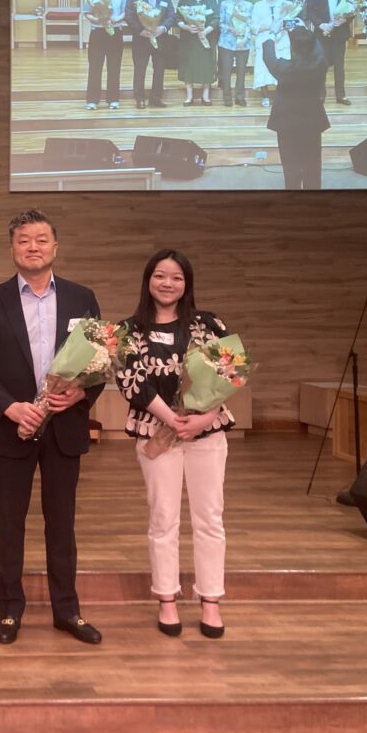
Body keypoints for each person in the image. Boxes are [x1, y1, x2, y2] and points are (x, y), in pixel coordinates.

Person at [0, 209, 104, 647]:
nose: (33, 247)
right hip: (13, 428)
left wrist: (80, 396)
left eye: (41, 240)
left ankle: (67, 610)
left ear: (55, 247)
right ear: (12, 249)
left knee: (62, 524)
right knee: (10, 524)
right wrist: (9, 408)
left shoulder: (82, 298)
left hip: (65, 428)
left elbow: (99, 363)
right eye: (24, 240)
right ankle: (9, 610)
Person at [116, 249, 235, 640]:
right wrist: (172, 419)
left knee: (210, 517)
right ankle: (166, 597)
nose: (167, 283)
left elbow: (230, 373)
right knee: (163, 517)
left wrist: (203, 417)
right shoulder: (128, 330)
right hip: (157, 434)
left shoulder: (208, 324)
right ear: (148, 280)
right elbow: (131, 381)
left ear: (187, 283)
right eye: (160, 276)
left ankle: (211, 599)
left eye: (176, 277)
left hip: (207, 432)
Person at [262, 22, 330, 190]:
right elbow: (319, 50)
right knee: (312, 165)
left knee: (290, 166)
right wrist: (305, 30)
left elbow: (268, 56)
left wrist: (272, 33)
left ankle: (293, 197)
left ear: (292, 48)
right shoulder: (320, 64)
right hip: (312, 122)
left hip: (287, 123)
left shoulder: (284, 68)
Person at [306, 0, 355, 105]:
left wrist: (344, 20)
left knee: (339, 66)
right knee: (321, 65)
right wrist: (321, 25)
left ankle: (341, 95)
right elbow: (310, 10)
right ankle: (320, 94)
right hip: (322, 32)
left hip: (340, 32)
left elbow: (353, 8)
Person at [126, 0, 176, 109]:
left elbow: (171, 15)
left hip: (160, 39)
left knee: (159, 69)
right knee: (140, 69)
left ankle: (156, 98)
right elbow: (129, 17)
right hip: (141, 39)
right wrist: (141, 31)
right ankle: (139, 98)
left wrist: (163, 28)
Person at [82, 0, 128, 110]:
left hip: (115, 32)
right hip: (98, 32)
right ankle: (92, 100)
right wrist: (98, 20)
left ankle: (113, 99)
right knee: (95, 67)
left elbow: (126, 11)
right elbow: (87, 13)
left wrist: (116, 19)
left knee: (114, 66)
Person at [176, 0, 218, 106]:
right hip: (189, 39)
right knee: (189, 65)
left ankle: (206, 96)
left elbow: (216, 18)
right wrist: (186, 27)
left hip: (206, 38)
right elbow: (177, 18)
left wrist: (206, 31)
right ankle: (189, 96)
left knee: (206, 65)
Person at [250, 0, 288, 108]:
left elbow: (290, 21)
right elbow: (253, 26)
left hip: (281, 39)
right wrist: (269, 27)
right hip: (264, 39)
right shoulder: (258, 5)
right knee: (263, 68)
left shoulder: (285, 4)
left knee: (283, 67)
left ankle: (281, 96)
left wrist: (282, 27)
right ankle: (265, 96)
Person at [218, 0, 253, 107]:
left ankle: (240, 96)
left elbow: (251, 24)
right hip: (227, 41)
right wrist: (230, 29)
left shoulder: (249, 5)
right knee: (226, 71)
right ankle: (227, 97)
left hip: (243, 43)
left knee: (241, 71)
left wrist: (244, 38)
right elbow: (221, 22)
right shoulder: (224, 4)